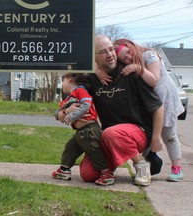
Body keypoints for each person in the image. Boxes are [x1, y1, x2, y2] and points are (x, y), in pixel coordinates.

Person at [61, 35, 165, 187]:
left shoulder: (130, 73)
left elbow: (158, 106)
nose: (109, 55)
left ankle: (141, 165)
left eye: (111, 50)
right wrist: (64, 112)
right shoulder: (91, 79)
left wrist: (156, 137)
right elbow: (70, 85)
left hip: (138, 131)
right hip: (109, 135)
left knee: (112, 133)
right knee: (88, 174)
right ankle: (113, 162)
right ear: (93, 57)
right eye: (103, 52)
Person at [97, 38, 184, 182]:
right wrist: (98, 72)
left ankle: (177, 168)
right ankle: (150, 161)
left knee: (169, 135)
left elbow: (154, 80)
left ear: (130, 45)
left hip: (165, 100)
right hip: (147, 102)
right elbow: (100, 61)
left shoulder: (149, 55)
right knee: (148, 137)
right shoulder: (128, 64)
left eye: (128, 52)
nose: (129, 57)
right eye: (125, 59)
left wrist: (138, 68)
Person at [52, 73, 114, 186]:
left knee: (94, 150)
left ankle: (106, 173)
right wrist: (61, 113)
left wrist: (72, 116)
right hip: (80, 132)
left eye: (63, 81)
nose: (62, 85)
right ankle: (64, 170)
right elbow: (59, 111)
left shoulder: (81, 91)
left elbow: (86, 104)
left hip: (89, 129)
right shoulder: (70, 97)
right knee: (70, 148)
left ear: (70, 79)